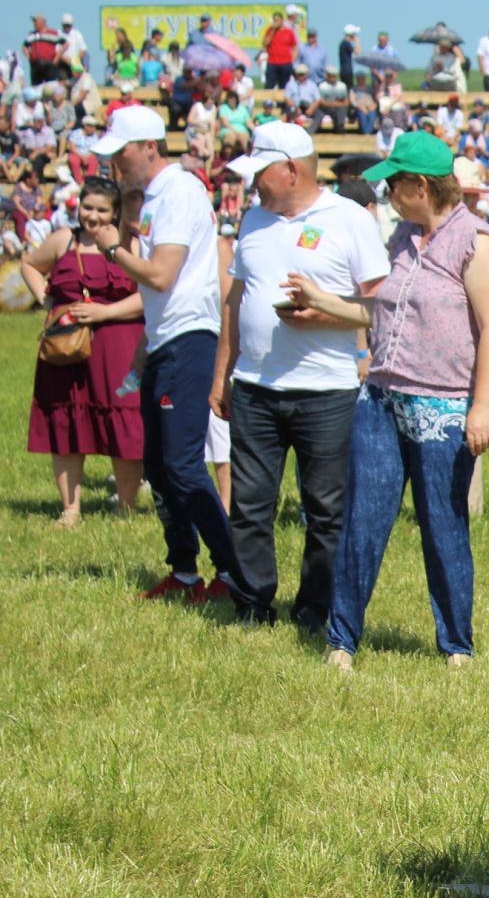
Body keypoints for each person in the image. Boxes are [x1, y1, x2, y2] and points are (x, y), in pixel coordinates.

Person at [284, 133, 489, 669]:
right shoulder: (404, 240)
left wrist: (483, 406)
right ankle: (341, 640)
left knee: (443, 525)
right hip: (381, 400)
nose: (386, 194)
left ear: (421, 185)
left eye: (394, 184)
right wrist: (322, 301)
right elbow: (384, 313)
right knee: (362, 518)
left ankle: (456, 644)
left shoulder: (476, 242)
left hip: (443, 408)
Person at [212, 123, 389, 631]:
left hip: (326, 390)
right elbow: (235, 301)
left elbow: (382, 305)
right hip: (254, 387)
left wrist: (324, 313)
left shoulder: (349, 219)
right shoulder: (252, 219)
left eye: (259, 174)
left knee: (326, 510)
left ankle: (314, 608)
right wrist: (223, 372)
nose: (253, 186)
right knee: (249, 504)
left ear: (290, 169)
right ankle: (251, 603)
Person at [90, 105, 246, 604]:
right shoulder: (159, 195)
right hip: (166, 341)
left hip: (188, 341)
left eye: (121, 152)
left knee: (180, 465)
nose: (113, 164)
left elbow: (160, 275)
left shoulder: (178, 191)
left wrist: (115, 247)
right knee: (158, 466)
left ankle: (232, 570)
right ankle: (183, 570)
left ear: (149, 148)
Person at [20, 175, 145, 525]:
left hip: (119, 343)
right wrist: (47, 300)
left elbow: (148, 294)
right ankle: (70, 509)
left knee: (124, 421)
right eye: (87, 207)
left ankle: (126, 507)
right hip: (65, 346)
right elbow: (29, 264)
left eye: (101, 210)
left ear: (116, 212)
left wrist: (105, 312)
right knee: (66, 422)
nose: (92, 216)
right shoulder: (63, 239)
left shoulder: (129, 245)